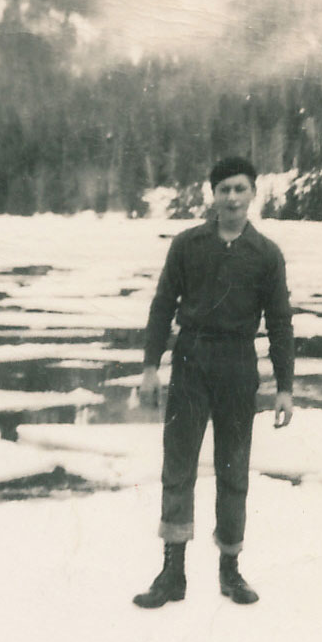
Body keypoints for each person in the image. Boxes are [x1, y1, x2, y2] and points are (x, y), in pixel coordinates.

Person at [133, 155, 294, 608]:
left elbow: (280, 322)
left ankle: (231, 570)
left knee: (233, 469)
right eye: (224, 189)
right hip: (191, 364)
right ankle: (172, 573)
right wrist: (150, 366)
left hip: (238, 367)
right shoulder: (187, 245)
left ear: (252, 194)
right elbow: (163, 306)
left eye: (240, 189)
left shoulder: (266, 254)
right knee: (178, 466)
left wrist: (285, 386)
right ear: (213, 194)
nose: (232, 197)